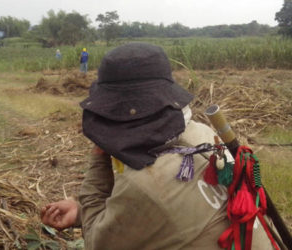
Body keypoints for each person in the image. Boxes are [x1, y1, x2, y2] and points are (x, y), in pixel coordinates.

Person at [41, 43, 281, 249]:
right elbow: (177, 212)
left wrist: (99, 154)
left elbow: (96, 242)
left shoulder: (145, 184)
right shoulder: (203, 133)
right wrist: (82, 212)